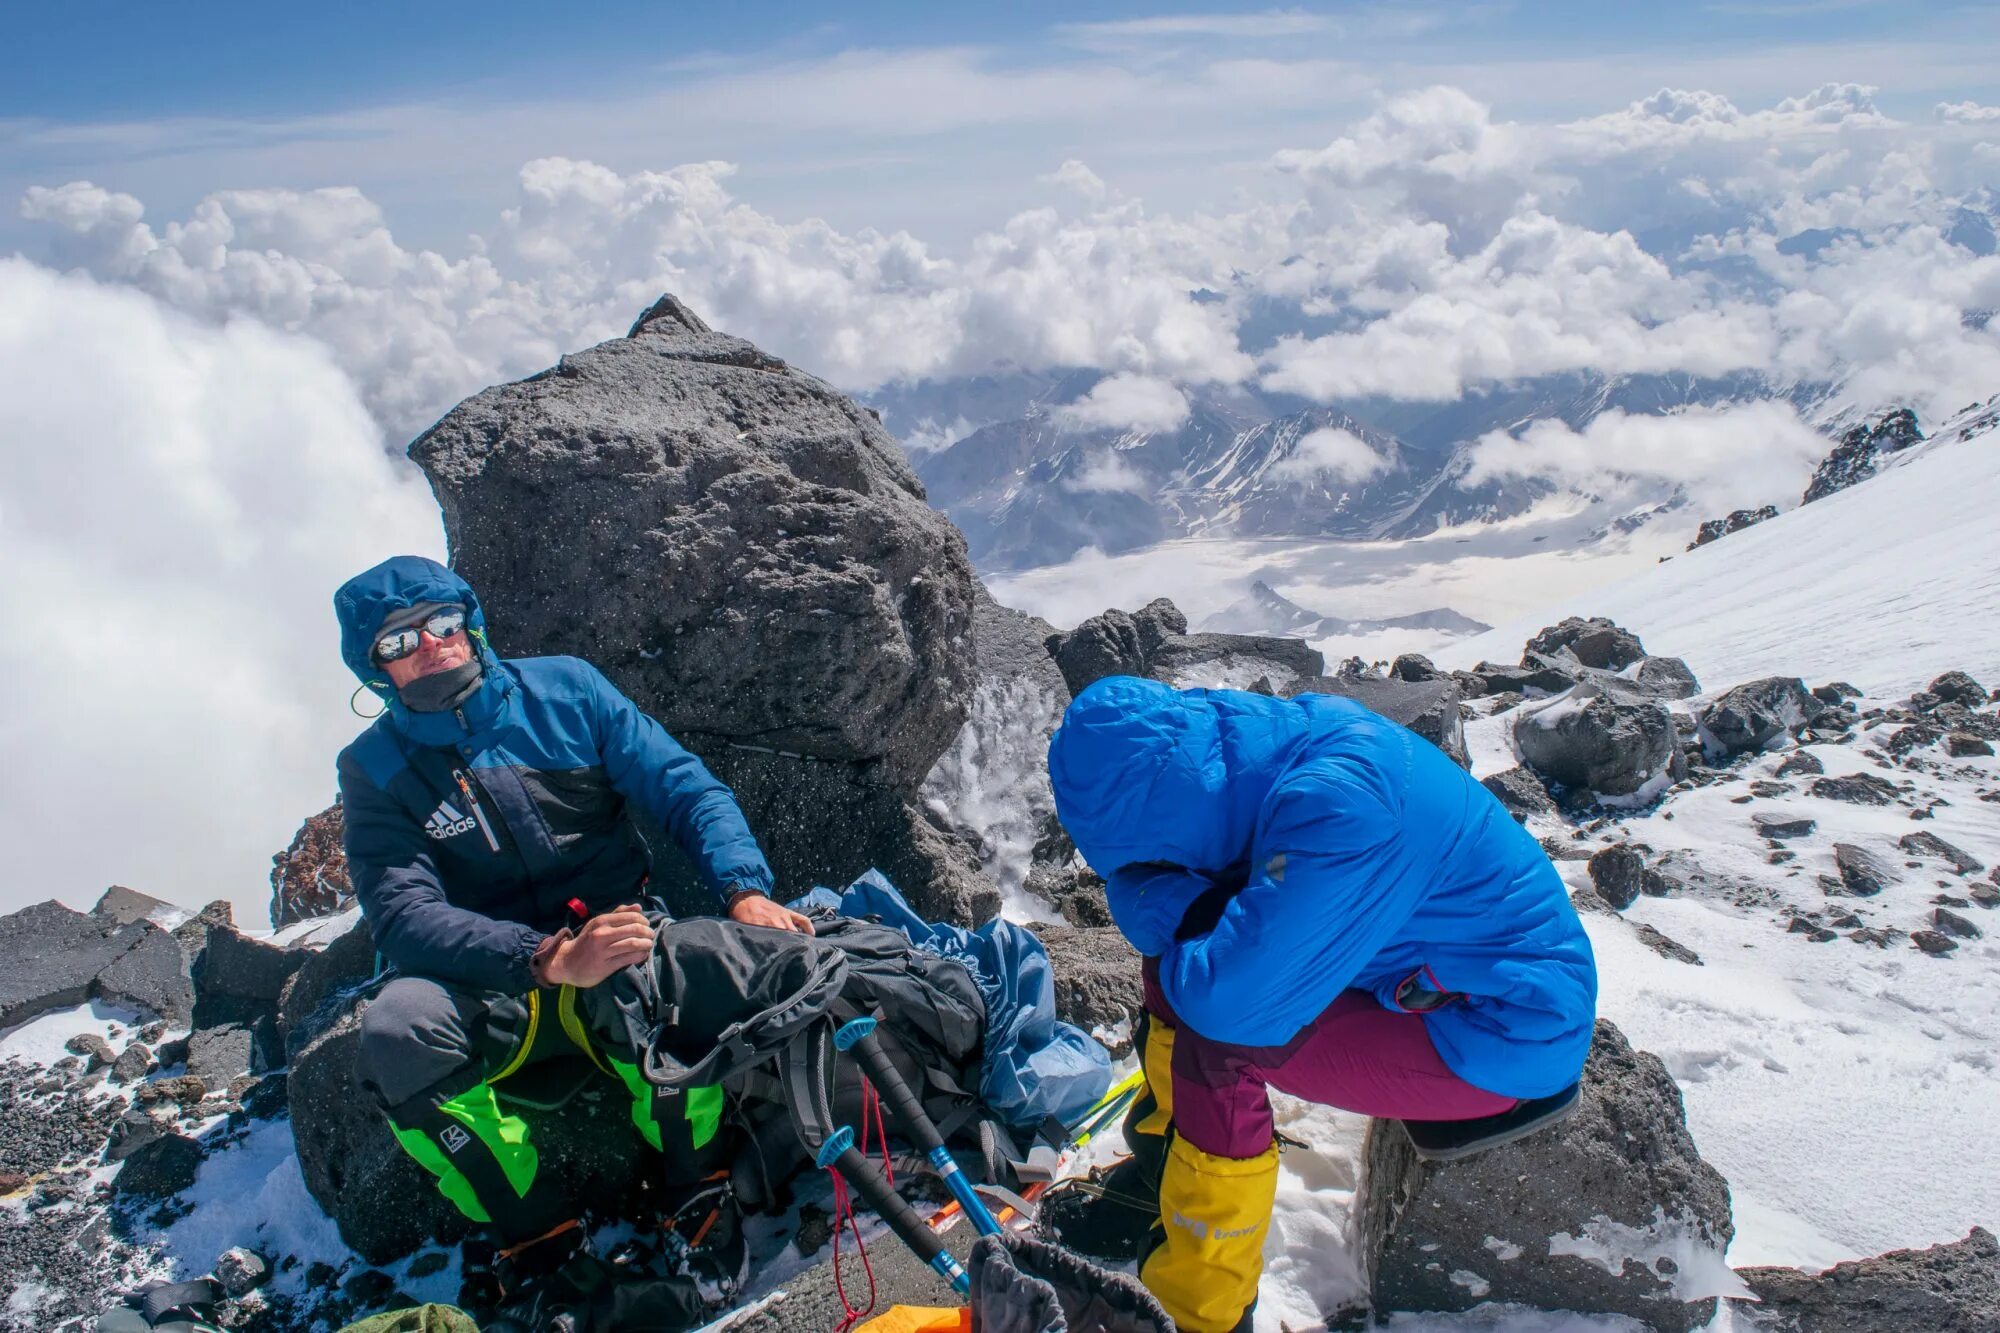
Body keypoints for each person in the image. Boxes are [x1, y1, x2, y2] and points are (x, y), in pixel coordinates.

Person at [332, 555, 811, 1314]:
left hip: (613, 939)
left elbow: (683, 785)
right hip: (491, 986)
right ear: (374, 669)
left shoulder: (565, 691)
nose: (430, 644)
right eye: (399, 641)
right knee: (397, 1033)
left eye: (443, 623)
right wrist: (544, 958)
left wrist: (744, 889)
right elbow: (402, 911)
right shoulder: (375, 768)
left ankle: (696, 1192)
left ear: (471, 622)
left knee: (649, 972)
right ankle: (536, 1233)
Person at [1045, 676, 1597, 1333]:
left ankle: (1202, 1312)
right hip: (1419, 972)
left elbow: (1231, 1008)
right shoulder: (1254, 755)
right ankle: (1158, 1194)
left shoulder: (1336, 804)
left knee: (1218, 1048)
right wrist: (1174, 906)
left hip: (1501, 1025)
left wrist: (1171, 905)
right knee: (1174, 971)